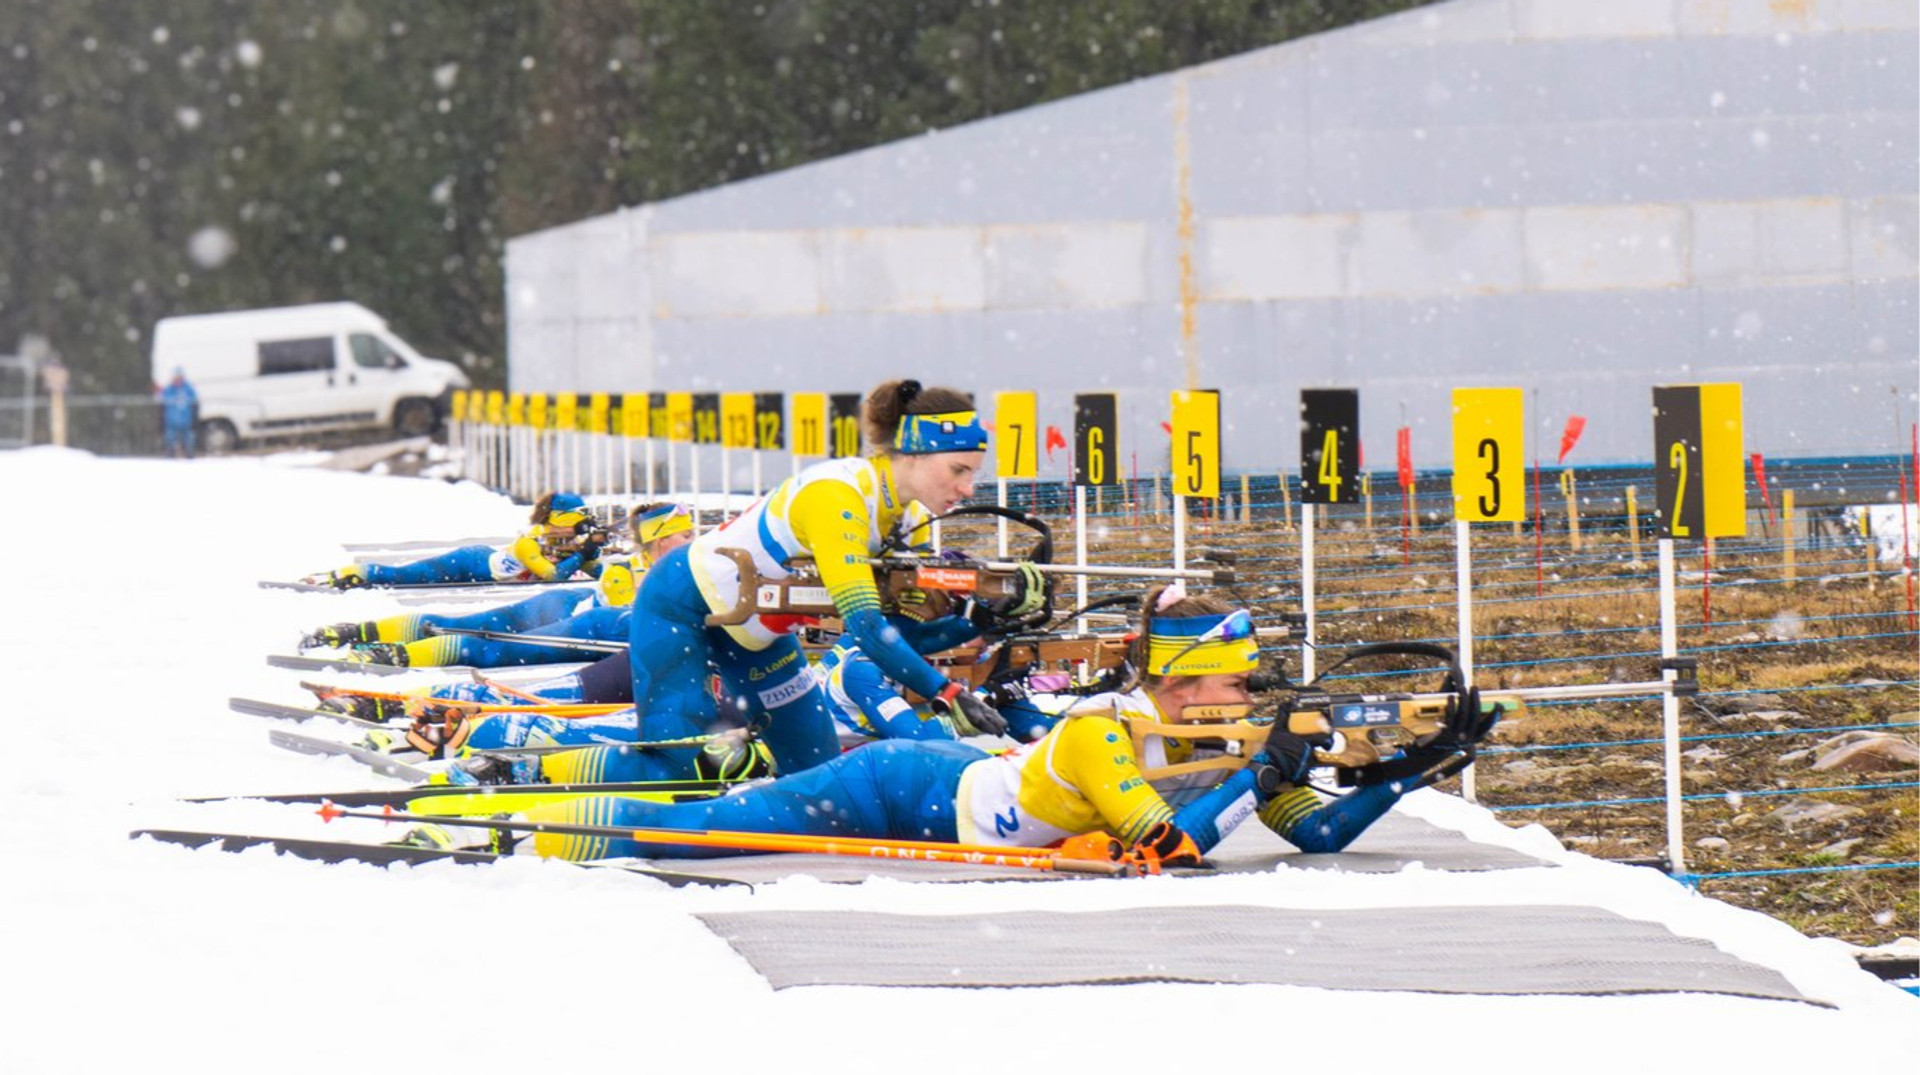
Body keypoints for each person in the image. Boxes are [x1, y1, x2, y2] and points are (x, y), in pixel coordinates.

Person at [502, 587, 1502, 864]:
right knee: (717, 826)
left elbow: (1313, 830)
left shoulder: (1213, 745)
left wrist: (1418, 767)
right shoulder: (1105, 731)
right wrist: (1262, 766)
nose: (1251, 700)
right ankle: (533, 817)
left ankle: (542, 788)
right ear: (1193, 684)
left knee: (726, 802)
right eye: (1240, 684)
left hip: (960, 774)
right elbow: (1166, 845)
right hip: (898, 786)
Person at [615, 379, 1042, 779]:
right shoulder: (837, 497)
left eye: (973, 473)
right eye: (958, 470)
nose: (967, 489)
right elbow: (866, 627)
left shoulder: (909, 517)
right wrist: (943, 691)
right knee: (679, 757)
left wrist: (981, 621)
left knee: (816, 770)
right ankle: (571, 766)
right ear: (912, 454)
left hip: (755, 636)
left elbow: (899, 636)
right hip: (680, 604)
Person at [305, 501, 696, 669]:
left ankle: (387, 644)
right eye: (684, 535)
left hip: (573, 611)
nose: (693, 541)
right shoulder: (621, 569)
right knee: (473, 633)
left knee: (477, 636)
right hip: (565, 612)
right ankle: (370, 638)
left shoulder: (671, 566)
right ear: (661, 540)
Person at [304, 491, 607, 589]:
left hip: (482, 560)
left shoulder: (561, 542)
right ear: (562, 520)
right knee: (404, 576)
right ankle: (350, 574)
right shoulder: (530, 542)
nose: (580, 531)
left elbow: (598, 572)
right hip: (468, 564)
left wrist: (593, 554)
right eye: (578, 524)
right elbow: (553, 576)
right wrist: (583, 553)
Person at [158, 367, 198, 458]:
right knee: (169, 447)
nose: (177, 380)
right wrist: (161, 423)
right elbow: (162, 407)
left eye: (179, 377)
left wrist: (194, 422)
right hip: (171, 424)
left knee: (189, 446)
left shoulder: (189, 390)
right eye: (176, 377)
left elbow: (195, 406)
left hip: (186, 423)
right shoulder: (168, 390)